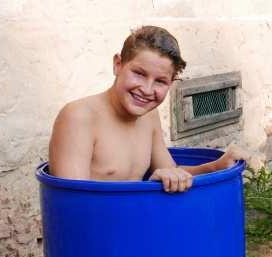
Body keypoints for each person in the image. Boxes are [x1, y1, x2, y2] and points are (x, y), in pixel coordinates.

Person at [49, 26, 247, 193]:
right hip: (96, 235)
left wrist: (217, 166)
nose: (147, 90)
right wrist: (150, 188)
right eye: (139, 74)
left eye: (160, 81)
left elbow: (172, 172)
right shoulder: (79, 117)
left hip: (138, 227)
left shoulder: (149, 115)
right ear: (118, 64)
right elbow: (73, 203)